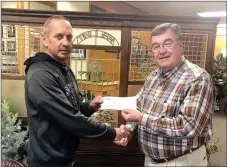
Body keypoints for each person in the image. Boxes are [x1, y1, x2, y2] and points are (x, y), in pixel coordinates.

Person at [24, 15, 130, 167]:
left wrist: (89, 106)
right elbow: (69, 118)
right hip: (47, 161)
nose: (65, 43)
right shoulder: (40, 75)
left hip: (65, 156)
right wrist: (112, 133)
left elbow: (72, 107)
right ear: (45, 39)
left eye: (69, 37)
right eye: (59, 36)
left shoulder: (64, 69)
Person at [120, 23, 213, 166]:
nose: (161, 51)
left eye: (167, 43)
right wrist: (128, 129)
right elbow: (138, 108)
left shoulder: (197, 78)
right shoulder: (152, 77)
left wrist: (142, 119)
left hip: (182, 161)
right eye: (156, 46)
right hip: (150, 160)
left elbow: (189, 126)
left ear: (181, 46)